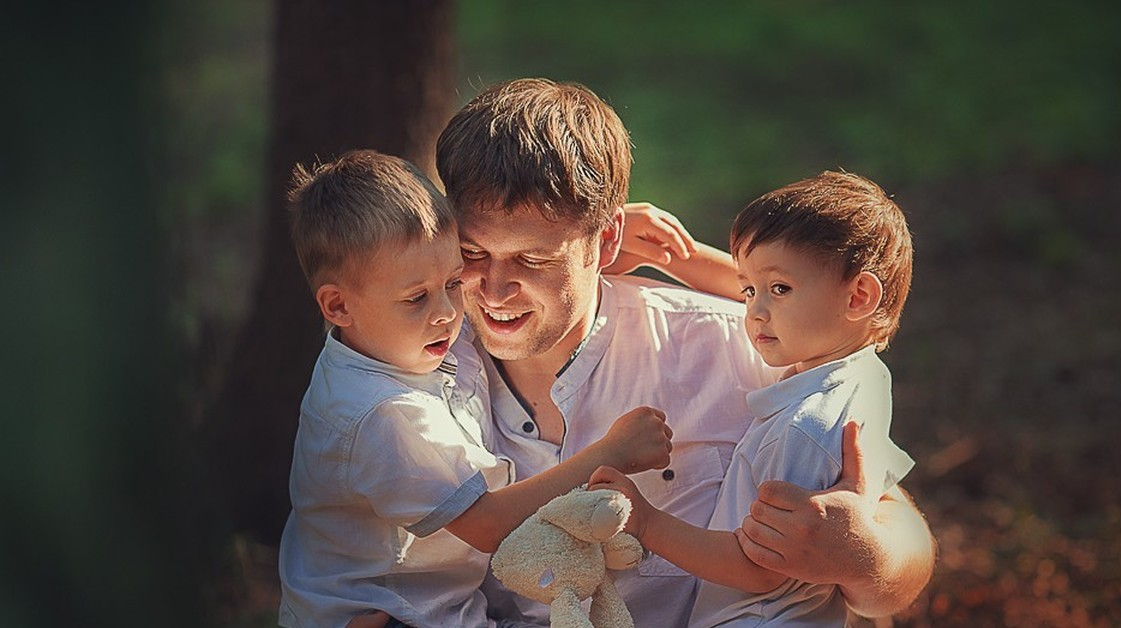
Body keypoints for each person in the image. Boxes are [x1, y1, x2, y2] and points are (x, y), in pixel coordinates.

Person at [433, 77, 935, 627]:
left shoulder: (741, 347)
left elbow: (891, 531)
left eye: (532, 260)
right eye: (472, 252)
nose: (495, 290)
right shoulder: (413, 369)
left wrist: (868, 557)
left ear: (605, 241)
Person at [275, 149, 673, 628]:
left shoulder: (377, 334)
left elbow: (750, 283)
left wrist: (587, 238)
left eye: (453, 281)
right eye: (417, 298)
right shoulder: (386, 413)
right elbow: (485, 524)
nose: (447, 311)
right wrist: (611, 452)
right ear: (337, 306)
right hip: (391, 617)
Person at [590, 171, 917, 626]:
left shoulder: (806, 427)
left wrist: (646, 521)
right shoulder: (860, 374)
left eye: (778, 290)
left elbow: (759, 568)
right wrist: (670, 256)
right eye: (749, 291)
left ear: (859, 295)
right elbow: (778, 284)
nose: (755, 311)